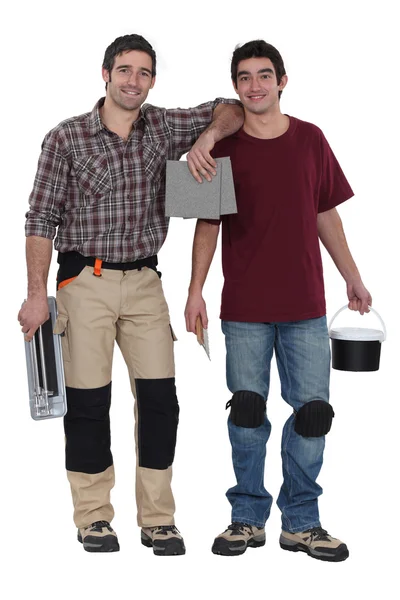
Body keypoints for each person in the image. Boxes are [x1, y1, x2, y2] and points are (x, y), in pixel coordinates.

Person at [18, 34, 243, 555]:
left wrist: (206, 139)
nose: (133, 81)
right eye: (124, 70)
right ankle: (94, 517)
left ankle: (158, 518)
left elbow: (230, 109)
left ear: (153, 81)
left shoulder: (163, 126)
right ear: (104, 74)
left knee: (162, 401)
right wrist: (35, 294)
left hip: (145, 282)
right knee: (89, 404)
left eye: (143, 73)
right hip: (83, 283)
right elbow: (40, 218)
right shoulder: (66, 138)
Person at [185, 39, 371, 562]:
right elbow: (206, 222)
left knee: (312, 414)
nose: (255, 85)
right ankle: (246, 517)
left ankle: (302, 523)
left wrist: (352, 278)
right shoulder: (218, 148)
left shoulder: (311, 139)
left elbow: (325, 214)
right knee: (246, 413)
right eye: (244, 78)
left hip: (306, 307)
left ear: (282, 81)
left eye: (264, 75)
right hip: (243, 307)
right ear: (236, 87)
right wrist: (195, 289)